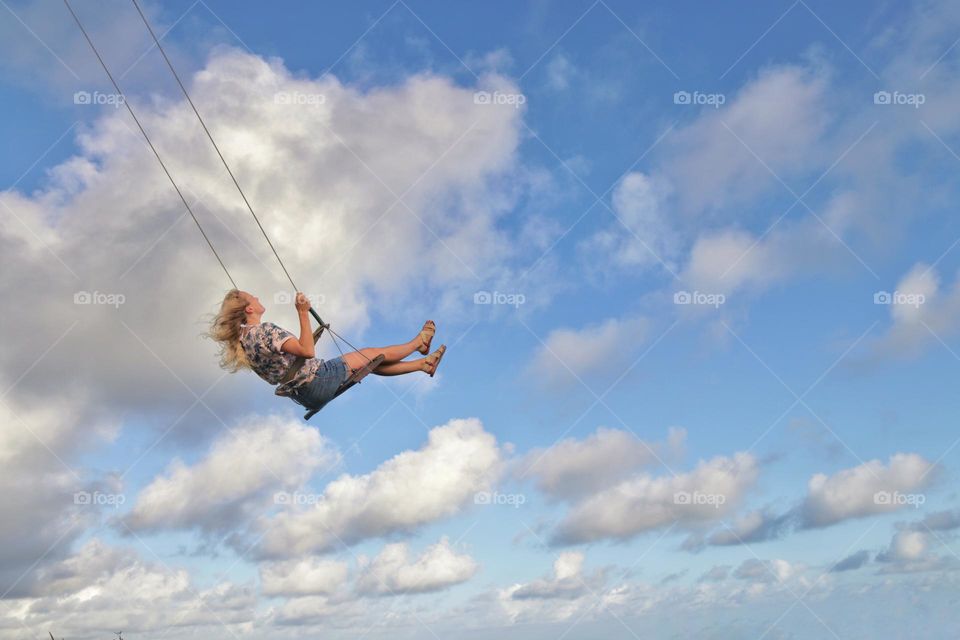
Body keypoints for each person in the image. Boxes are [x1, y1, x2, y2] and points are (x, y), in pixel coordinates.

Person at [208, 289, 445, 413]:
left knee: (366, 364)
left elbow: (289, 362)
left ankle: (422, 365)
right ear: (250, 308)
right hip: (317, 379)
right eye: (253, 297)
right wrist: (302, 312)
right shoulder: (265, 331)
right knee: (371, 352)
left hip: (306, 397)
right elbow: (306, 351)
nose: (258, 297)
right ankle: (420, 343)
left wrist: (314, 334)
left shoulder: (245, 345)